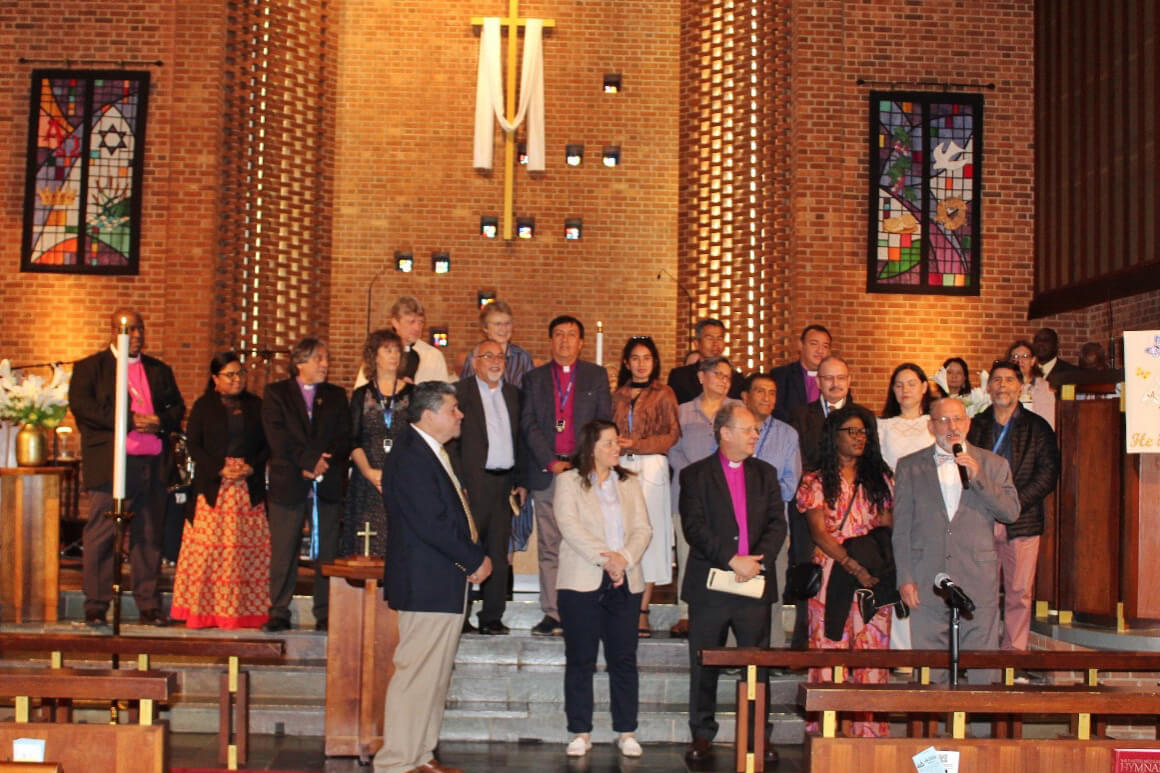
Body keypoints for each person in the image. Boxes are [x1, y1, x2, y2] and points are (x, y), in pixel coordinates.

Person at [375, 382, 490, 773]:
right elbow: (430, 521)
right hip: (426, 581)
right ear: (428, 414)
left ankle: (420, 755)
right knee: (416, 674)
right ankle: (395, 762)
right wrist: (473, 558)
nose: (460, 415)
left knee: (434, 677)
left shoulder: (430, 450)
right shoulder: (410, 455)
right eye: (453, 408)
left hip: (442, 581)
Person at [680, 403, 786, 767]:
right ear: (725, 433)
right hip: (711, 584)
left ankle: (758, 734)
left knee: (756, 666)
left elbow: (778, 524)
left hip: (753, 584)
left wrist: (757, 561)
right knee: (704, 663)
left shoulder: (766, 473)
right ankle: (701, 734)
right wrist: (731, 559)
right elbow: (694, 528)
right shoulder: (694, 475)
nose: (755, 435)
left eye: (756, 430)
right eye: (748, 429)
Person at [69, 308, 186, 627]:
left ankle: (148, 604)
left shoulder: (158, 370)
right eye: (130, 330)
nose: (137, 336)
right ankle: (96, 603)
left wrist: (159, 421)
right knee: (102, 534)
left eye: (140, 330)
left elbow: (177, 407)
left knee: (148, 535)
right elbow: (83, 407)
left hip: (153, 463)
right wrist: (128, 421)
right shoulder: (91, 368)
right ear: (114, 331)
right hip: (112, 463)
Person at [892, 397, 1020, 684]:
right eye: (944, 420)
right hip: (927, 575)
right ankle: (930, 728)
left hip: (978, 575)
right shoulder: (909, 466)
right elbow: (901, 528)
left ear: (969, 423)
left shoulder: (993, 464)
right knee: (928, 662)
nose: (952, 426)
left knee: (982, 662)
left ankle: (984, 729)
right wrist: (905, 577)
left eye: (958, 419)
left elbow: (1011, 513)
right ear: (930, 426)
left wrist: (979, 477)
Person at [554, 420, 652, 758]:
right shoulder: (568, 481)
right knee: (580, 658)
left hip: (625, 580)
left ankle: (626, 731)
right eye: (610, 443)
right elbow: (569, 526)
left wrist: (622, 559)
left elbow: (643, 529)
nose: (617, 448)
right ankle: (580, 731)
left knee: (623, 658)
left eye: (616, 443)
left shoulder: (629, 484)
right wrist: (606, 560)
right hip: (581, 581)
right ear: (592, 446)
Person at [796, 404, 894, 736]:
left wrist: (870, 566)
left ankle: (866, 737)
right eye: (850, 431)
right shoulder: (815, 480)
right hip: (831, 572)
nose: (858, 437)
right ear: (833, 436)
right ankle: (825, 735)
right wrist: (852, 566)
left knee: (871, 652)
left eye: (863, 431)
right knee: (829, 651)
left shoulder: (881, 479)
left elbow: (886, 527)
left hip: (872, 574)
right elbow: (819, 533)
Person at [520, 315, 612, 636]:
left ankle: (585, 610)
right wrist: (550, 461)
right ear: (550, 340)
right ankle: (553, 612)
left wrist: (583, 463)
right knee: (550, 545)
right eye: (558, 334)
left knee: (587, 543)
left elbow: (603, 422)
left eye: (571, 335)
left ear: (581, 342)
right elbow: (528, 424)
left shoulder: (595, 376)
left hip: (584, 473)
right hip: (549, 472)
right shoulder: (535, 379)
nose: (564, 340)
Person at [170, 352, 270, 629]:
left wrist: (251, 466)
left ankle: (244, 612)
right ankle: (205, 612)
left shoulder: (257, 405)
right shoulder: (204, 406)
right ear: (215, 379)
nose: (237, 380)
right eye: (230, 375)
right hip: (214, 487)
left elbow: (268, 443)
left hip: (247, 487)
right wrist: (219, 468)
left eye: (240, 374)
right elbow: (195, 446)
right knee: (209, 554)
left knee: (243, 555)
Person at [967, 360, 1060, 653]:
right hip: (981, 521)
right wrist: (989, 505)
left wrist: (1011, 506)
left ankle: (1013, 656)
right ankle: (982, 655)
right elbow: (963, 471)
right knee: (983, 592)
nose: (1002, 385)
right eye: (997, 380)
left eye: (1009, 380)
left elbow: (1048, 473)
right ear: (988, 387)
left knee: (1019, 593)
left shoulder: (1037, 427)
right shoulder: (975, 425)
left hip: (1022, 521)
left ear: (1020, 387)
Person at [261, 338, 351, 632]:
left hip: (326, 484)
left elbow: (344, 436)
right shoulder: (277, 394)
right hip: (290, 482)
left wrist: (323, 462)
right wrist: (308, 461)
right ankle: (278, 609)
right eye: (318, 359)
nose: (324, 365)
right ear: (299, 362)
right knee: (284, 550)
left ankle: (324, 610)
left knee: (326, 551)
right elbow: (277, 436)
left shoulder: (336, 396)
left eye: (326, 359)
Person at [448, 339, 522, 635]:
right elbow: (450, 444)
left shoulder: (514, 395)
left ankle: (492, 615)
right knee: (465, 549)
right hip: (471, 485)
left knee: (498, 551)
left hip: (504, 485)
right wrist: (458, 482)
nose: (495, 361)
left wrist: (520, 481)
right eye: (487, 356)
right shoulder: (459, 393)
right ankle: (460, 614)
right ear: (474, 361)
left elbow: (521, 440)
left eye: (500, 356)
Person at [666, 356, 742, 637]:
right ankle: (686, 613)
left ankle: (724, 612)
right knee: (688, 553)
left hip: (729, 497)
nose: (723, 380)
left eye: (727, 376)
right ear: (701, 377)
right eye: (717, 374)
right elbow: (672, 449)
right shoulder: (682, 411)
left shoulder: (738, 410)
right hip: (688, 494)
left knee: (724, 553)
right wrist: (698, 478)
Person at [611, 336, 680, 638]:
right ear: (627, 363)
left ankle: (642, 609)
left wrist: (637, 444)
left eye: (647, 358)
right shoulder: (617, 395)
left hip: (651, 466)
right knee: (621, 535)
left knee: (647, 536)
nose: (641, 364)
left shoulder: (664, 394)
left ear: (655, 363)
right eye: (635, 358)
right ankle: (620, 604)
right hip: (620, 466)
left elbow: (671, 434)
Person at [787, 354, 855, 648]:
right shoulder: (799, 416)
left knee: (846, 572)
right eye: (828, 377)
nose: (835, 383)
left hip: (851, 513)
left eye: (840, 377)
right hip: (810, 510)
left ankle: (844, 640)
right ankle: (804, 642)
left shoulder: (861, 416)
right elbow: (799, 461)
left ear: (849, 381)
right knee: (808, 572)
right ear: (818, 382)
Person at [876, 362, 935, 654]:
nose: (905, 390)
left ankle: (928, 646)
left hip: (932, 510)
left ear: (924, 386)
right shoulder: (883, 426)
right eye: (898, 385)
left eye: (911, 383)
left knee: (927, 573)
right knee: (902, 572)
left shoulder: (935, 423)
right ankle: (900, 650)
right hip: (898, 509)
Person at [741, 372, 801, 646]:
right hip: (737, 523)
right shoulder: (733, 429)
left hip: (774, 523)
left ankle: (774, 649)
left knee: (772, 588)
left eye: (772, 393)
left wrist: (761, 498)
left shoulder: (787, 434)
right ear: (746, 396)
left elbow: (791, 483)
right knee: (737, 589)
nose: (767, 398)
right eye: (760, 391)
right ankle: (735, 652)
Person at [341, 330, 412, 559]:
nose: (394, 356)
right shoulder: (361, 395)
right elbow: (353, 439)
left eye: (397, 351)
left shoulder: (414, 393)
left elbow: (418, 439)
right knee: (366, 546)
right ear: (374, 356)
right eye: (387, 350)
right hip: (368, 479)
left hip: (403, 479)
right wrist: (370, 473)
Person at [356, 295, 450, 387]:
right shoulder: (378, 353)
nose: (417, 327)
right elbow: (363, 391)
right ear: (395, 322)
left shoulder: (434, 356)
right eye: (411, 321)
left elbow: (444, 396)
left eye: (421, 322)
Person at [459, 300, 536, 388]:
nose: (503, 329)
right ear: (485, 328)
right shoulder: (475, 356)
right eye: (497, 324)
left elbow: (533, 392)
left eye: (507, 323)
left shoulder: (523, 357)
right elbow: (465, 392)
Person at [667, 318, 745, 403]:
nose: (715, 344)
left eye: (719, 338)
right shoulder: (680, 377)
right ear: (697, 343)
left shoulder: (736, 378)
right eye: (709, 338)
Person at [769, 324, 833, 422]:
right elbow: (775, 411)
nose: (820, 350)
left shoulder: (836, 379)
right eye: (814, 344)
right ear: (800, 345)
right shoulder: (781, 375)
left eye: (825, 346)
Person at [1006, 339, 1055, 428]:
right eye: (1015, 357)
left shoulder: (1042, 387)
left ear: (1032, 361)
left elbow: (1047, 422)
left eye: (1025, 356)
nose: (1020, 361)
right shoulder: (1004, 386)